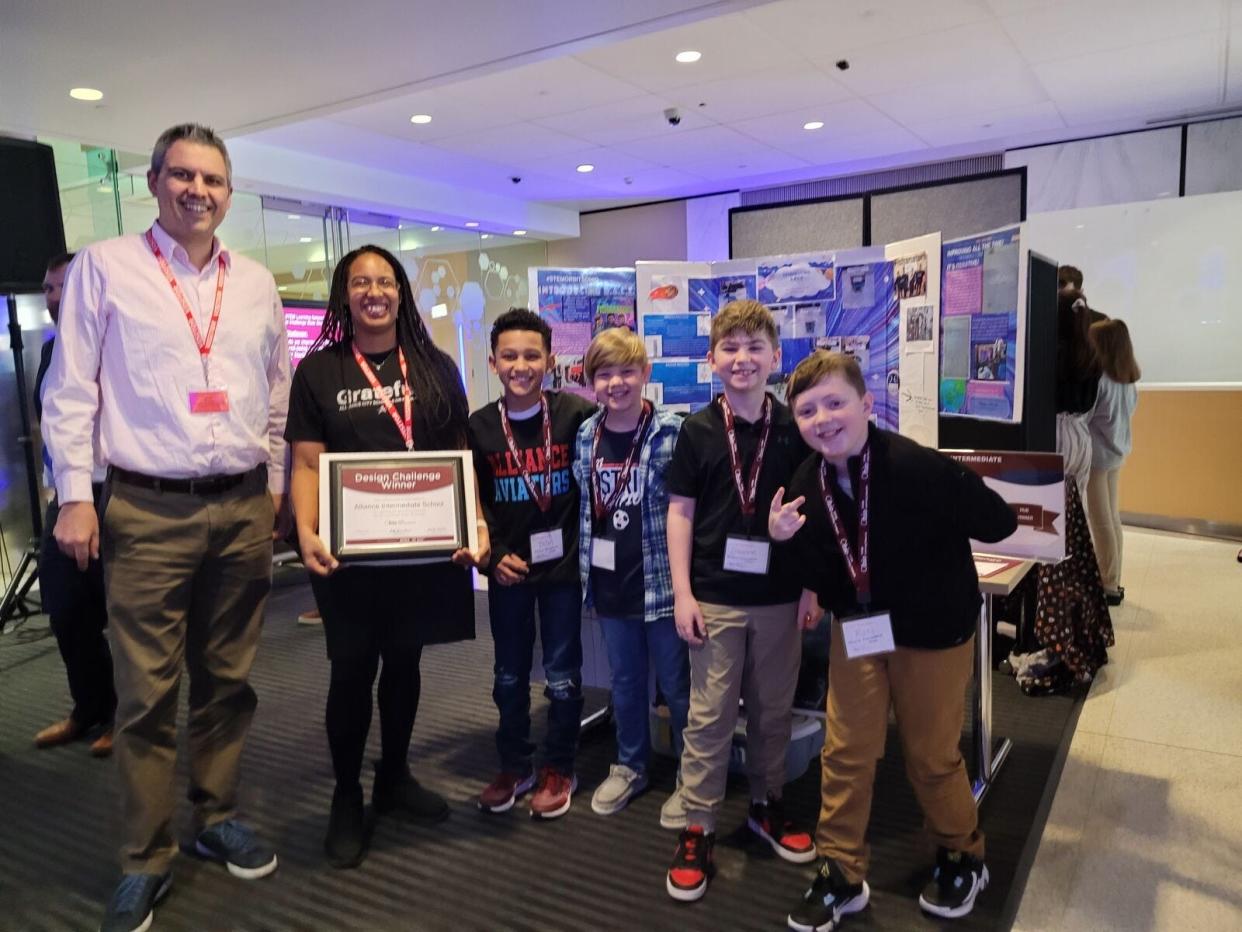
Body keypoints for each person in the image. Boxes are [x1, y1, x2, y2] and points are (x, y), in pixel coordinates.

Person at [42, 123, 290, 932]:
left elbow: (276, 391)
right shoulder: (104, 269)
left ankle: (217, 819)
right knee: (146, 695)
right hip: (145, 508)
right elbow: (71, 389)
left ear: (228, 191)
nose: (198, 191)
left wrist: (279, 485)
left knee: (229, 680)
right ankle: (146, 858)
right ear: (153, 182)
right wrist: (75, 495)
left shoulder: (254, 282)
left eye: (213, 180)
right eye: (182, 175)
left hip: (244, 503)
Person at [768, 350, 1016, 930]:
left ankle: (963, 855)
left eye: (835, 402)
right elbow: (820, 577)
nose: (823, 419)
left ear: (866, 404)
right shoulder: (807, 483)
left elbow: (998, 522)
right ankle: (841, 871)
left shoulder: (917, 467)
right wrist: (784, 540)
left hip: (931, 633)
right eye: (807, 410)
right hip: (859, 629)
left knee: (931, 756)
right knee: (846, 754)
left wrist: (956, 495)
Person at [286, 245, 483, 868]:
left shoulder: (434, 365)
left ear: (401, 291)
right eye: (360, 282)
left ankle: (393, 778)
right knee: (351, 671)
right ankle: (347, 795)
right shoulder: (319, 372)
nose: (374, 291)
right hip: (349, 559)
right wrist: (306, 529)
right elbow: (308, 463)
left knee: (404, 665)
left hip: (421, 553)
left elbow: (459, 451)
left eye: (385, 281)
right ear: (344, 295)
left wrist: (474, 519)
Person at [663, 299, 816, 904]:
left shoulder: (795, 428)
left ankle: (766, 804)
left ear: (776, 357)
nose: (742, 358)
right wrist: (682, 593)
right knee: (711, 717)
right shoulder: (698, 431)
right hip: (717, 597)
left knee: (774, 711)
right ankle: (698, 825)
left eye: (755, 347)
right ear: (711, 361)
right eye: (730, 348)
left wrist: (809, 588)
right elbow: (681, 513)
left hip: (780, 597)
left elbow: (813, 516)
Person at [469, 308, 595, 819]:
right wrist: (492, 558)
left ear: (549, 359)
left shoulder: (576, 416)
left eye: (532, 355)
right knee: (508, 676)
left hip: (563, 571)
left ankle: (559, 764)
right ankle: (515, 764)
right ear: (493, 361)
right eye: (510, 356)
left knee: (563, 676)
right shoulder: (478, 427)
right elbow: (473, 502)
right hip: (509, 573)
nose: (521, 365)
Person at [570, 328, 688, 819]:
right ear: (591, 381)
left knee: (679, 686)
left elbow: (689, 511)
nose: (615, 382)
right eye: (604, 373)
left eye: (626, 371)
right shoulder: (585, 434)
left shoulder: (672, 431)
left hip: (660, 585)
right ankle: (630, 765)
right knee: (625, 682)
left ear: (645, 374)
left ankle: (691, 775)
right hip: (610, 584)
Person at [32, 251, 117, 757]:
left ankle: (126, 717)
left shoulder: (114, 345)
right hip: (65, 498)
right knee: (65, 611)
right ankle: (89, 707)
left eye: (64, 287)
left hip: (112, 493)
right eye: (47, 288)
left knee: (120, 613)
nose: (55, 298)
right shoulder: (49, 352)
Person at [1086, 319, 1140, 607]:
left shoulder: (1100, 383)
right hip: (1117, 456)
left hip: (1097, 460)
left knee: (1101, 521)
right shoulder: (1128, 381)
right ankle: (1113, 577)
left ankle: (1107, 584)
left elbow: (1087, 417)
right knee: (1112, 518)